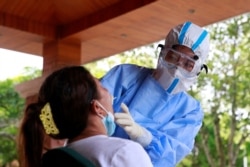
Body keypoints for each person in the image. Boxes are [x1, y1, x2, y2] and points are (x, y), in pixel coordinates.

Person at [100, 21, 210, 166]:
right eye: (174, 57)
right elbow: (88, 105)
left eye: (188, 65)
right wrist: (100, 125)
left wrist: (144, 137)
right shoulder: (124, 75)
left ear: (197, 70)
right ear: (163, 53)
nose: (177, 69)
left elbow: (169, 155)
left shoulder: (190, 111)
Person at [17, 66, 153, 167]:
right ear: (98, 108)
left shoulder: (55, 159)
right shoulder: (123, 152)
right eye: (104, 88)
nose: (111, 95)